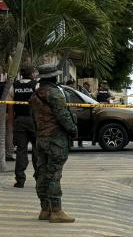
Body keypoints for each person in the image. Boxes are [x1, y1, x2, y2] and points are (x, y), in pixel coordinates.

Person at [30, 64, 78, 223]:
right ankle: (56, 211)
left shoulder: (35, 95)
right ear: (54, 76)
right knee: (54, 174)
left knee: (42, 173)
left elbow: (34, 120)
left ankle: (45, 209)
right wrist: (73, 131)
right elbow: (63, 116)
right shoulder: (55, 94)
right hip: (56, 140)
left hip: (41, 139)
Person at [10, 66, 38, 188]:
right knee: (37, 150)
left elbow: (10, 106)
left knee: (21, 150)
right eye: (35, 72)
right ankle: (39, 178)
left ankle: (20, 180)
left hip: (19, 120)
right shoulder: (36, 85)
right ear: (31, 74)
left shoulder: (14, 85)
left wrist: (12, 122)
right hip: (33, 121)